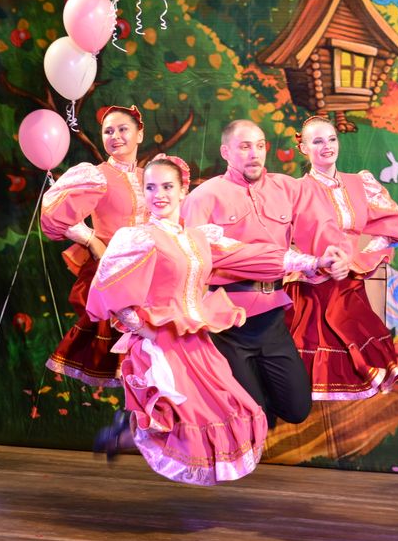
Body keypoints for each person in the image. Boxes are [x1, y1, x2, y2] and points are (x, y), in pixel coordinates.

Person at [85, 155, 334, 484]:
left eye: (167, 187)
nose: (159, 194)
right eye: (151, 188)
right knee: (182, 413)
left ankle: (124, 433)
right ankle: (124, 436)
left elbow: (249, 254)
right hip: (161, 342)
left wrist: (310, 262)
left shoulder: (198, 238)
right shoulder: (139, 238)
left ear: (182, 191)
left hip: (196, 338)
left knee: (233, 409)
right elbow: (111, 294)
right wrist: (149, 334)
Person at [181, 119, 350, 428]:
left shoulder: (287, 188)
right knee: (255, 418)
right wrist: (292, 261)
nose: (254, 154)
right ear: (226, 152)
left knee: (297, 410)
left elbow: (320, 225)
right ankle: (244, 407)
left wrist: (335, 255)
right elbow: (207, 254)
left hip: (272, 318)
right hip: (228, 323)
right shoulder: (203, 197)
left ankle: (252, 399)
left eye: (260, 146)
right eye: (245, 147)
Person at [287, 115, 398, 400]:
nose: (327, 146)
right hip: (312, 281)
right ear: (303, 148)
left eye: (331, 139)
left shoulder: (360, 183)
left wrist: (358, 259)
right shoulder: (295, 190)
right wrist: (313, 263)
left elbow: (392, 225)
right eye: (317, 141)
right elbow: (282, 239)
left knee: (355, 339)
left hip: (350, 278)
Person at [40, 105, 147, 387]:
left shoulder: (150, 177)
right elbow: (55, 214)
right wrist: (91, 240)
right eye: (108, 131)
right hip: (112, 271)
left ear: (139, 134)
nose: (115, 136)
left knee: (155, 359)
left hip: (150, 275)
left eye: (123, 129)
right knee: (122, 351)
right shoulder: (97, 176)